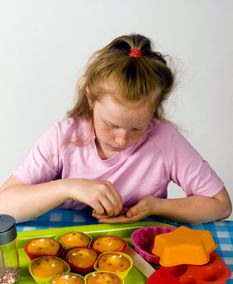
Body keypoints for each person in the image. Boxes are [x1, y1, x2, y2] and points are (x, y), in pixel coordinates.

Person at [0, 34, 231, 224]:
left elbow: (220, 205)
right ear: (90, 98)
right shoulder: (63, 138)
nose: (122, 140)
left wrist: (157, 206)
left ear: (155, 109)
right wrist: (69, 187)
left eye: (137, 128)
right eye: (110, 125)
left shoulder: (165, 140)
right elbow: (4, 206)